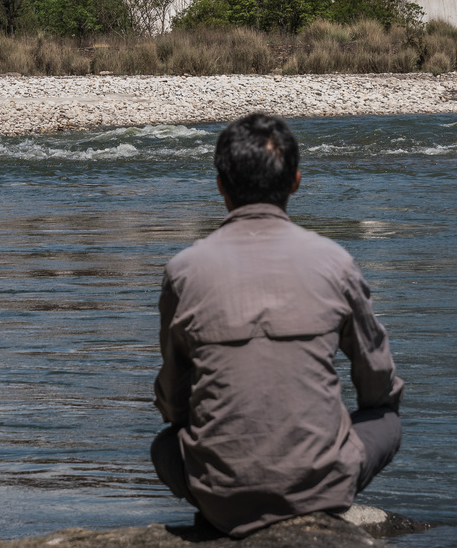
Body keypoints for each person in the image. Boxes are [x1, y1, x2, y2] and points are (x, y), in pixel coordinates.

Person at [150, 113, 404, 537]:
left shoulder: (184, 270)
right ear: (296, 182)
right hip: (321, 489)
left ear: (221, 187)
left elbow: (174, 404)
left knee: (164, 444)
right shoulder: (335, 263)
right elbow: (378, 386)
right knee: (388, 421)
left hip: (219, 496)